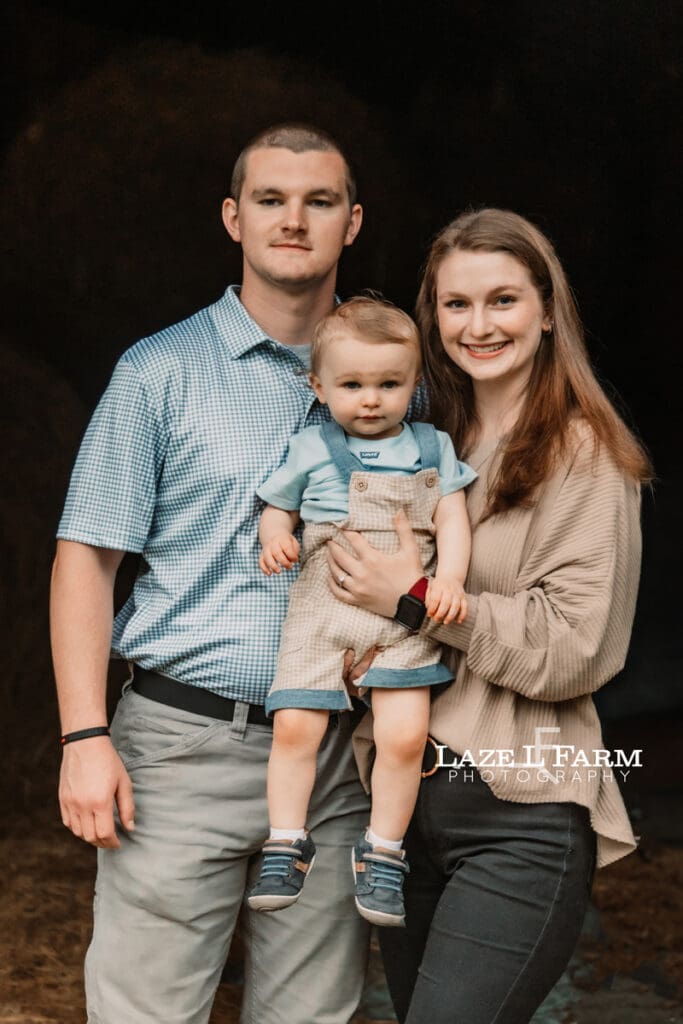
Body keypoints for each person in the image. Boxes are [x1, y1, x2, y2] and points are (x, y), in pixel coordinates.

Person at [49, 123, 402, 1024]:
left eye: (319, 201)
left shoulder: (395, 382)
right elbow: (86, 559)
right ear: (232, 218)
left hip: (332, 759)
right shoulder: (159, 373)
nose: (294, 220)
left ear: (352, 222)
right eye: (271, 200)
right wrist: (84, 739)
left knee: (311, 1017)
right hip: (178, 746)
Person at [326, 208, 652, 1023]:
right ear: (431, 315)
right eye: (455, 304)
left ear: (547, 310)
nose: (478, 325)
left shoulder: (583, 453)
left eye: (502, 300)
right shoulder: (428, 440)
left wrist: (417, 602)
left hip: (517, 816)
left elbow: (576, 648)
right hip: (403, 814)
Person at [247, 296, 475, 926]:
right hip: (323, 613)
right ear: (318, 386)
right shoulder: (310, 447)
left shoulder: (433, 447)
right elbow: (276, 505)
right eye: (352, 385)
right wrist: (276, 538)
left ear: (414, 383)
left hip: (407, 619)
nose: (370, 399)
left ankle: (382, 852)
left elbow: (451, 516)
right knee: (296, 726)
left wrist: (449, 577)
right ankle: (286, 840)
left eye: (389, 384)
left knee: (404, 739)